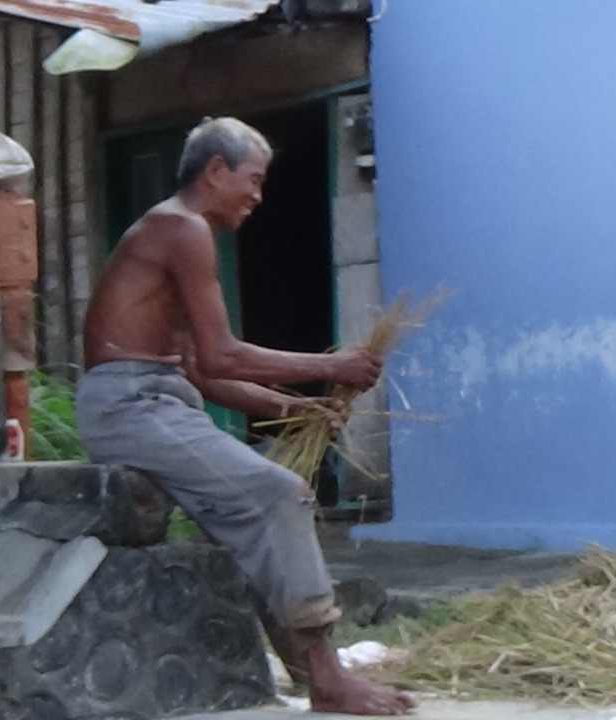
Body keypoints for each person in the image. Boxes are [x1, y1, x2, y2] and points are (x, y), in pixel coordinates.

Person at [75, 117, 417, 716]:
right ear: (215, 171)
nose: (258, 198)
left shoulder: (182, 235)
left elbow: (203, 376)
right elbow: (222, 354)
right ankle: (328, 680)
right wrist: (331, 366)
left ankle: (314, 674)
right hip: (130, 406)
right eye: (253, 181)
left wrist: (296, 410)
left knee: (257, 518)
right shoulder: (181, 228)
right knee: (280, 494)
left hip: (156, 401)